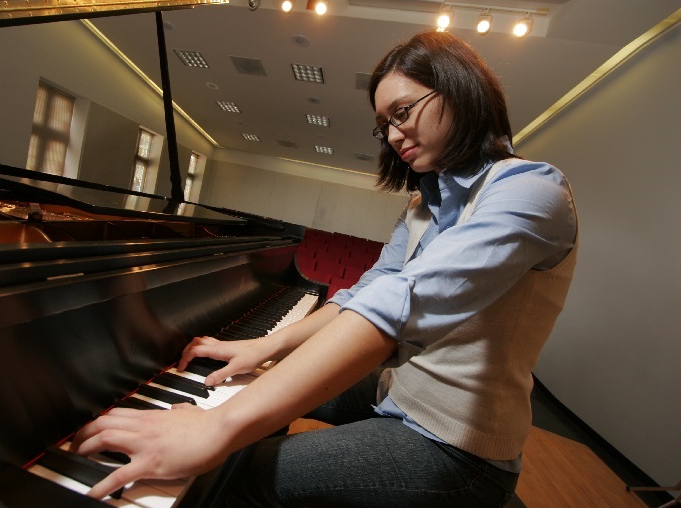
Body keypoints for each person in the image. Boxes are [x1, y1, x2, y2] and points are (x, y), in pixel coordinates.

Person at [71, 30, 578, 508]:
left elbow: (402, 304)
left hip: (456, 445)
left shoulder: (532, 191)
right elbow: (370, 288)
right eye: (385, 126)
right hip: (397, 390)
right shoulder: (423, 205)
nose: (394, 135)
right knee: (246, 378)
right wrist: (263, 347)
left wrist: (217, 428)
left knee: (227, 472)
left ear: (460, 90)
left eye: (402, 112)